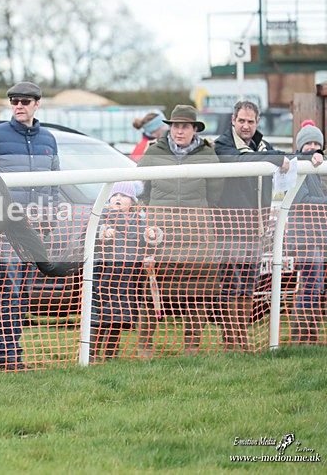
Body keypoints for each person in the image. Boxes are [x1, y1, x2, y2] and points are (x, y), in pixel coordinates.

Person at [0, 81, 60, 371]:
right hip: (5, 229)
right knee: (10, 293)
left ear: (38, 103)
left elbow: (54, 184)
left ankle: (12, 354)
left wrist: (49, 216)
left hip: (36, 229)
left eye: (25, 101)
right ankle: (10, 358)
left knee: (22, 295)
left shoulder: (49, 139)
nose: (19, 106)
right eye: (14, 101)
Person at [136, 105, 224, 357]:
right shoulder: (154, 152)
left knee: (196, 293)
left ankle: (192, 347)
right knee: (150, 290)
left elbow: (215, 192)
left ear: (195, 129)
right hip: (159, 236)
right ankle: (145, 345)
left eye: (185, 126)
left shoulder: (208, 154)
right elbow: (142, 189)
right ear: (169, 128)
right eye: (175, 126)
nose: (179, 131)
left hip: (197, 234)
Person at [214, 100, 290, 352]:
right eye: (241, 121)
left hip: (256, 229)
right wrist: (279, 158)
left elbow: (283, 157)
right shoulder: (223, 144)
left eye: (250, 121)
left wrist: (311, 154)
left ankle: (242, 337)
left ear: (257, 123)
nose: (245, 126)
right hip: (229, 228)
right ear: (233, 121)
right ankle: (231, 341)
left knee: (248, 286)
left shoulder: (264, 146)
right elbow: (246, 161)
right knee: (229, 286)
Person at [92, 182, 162, 362]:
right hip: (104, 276)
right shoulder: (101, 217)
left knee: (118, 318)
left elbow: (147, 245)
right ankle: (91, 353)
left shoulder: (140, 221)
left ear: (132, 201)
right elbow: (89, 237)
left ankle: (110, 354)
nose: (118, 199)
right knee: (98, 317)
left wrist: (152, 237)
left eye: (123, 196)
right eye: (114, 195)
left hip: (127, 279)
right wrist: (101, 233)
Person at [286, 120, 326, 344]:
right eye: (307, 143)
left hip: (317, 237)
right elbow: (301, 201)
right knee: (310, 286)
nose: (311, 147)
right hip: (305, 238)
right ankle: (301, 336)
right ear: (300, 145)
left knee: (315, 286)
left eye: (315, 143)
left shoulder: (317, 167)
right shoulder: (298, 165)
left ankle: (310, 335)